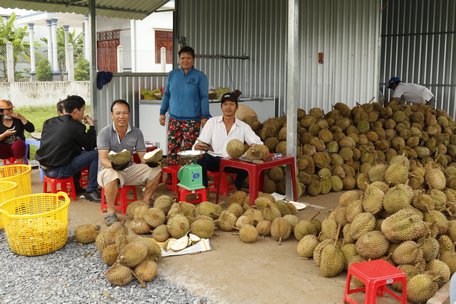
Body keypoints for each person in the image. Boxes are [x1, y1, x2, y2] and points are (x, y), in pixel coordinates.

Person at [97, 99, 162, 226]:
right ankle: (110, 212)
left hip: (128, 169)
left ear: (129, 114)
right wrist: (114, 165)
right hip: (108, 170)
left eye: (125, 113)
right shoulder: (104, 133)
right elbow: (103, 159)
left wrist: (152, 160)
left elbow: (142, 157)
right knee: (112, 174)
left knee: (156, 170)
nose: (121, 116)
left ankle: (144, 203)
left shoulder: (137, 132)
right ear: (112, 115)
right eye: (118, 113)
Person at [35, 95, 100, 201]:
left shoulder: (49, 122)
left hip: (45, 168)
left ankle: (76, 187)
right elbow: (90, 146)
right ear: (75, 111)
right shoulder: (75, 126)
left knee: (77, 151)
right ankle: (91, 190)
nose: (83, 114)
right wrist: (91, 125)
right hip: (59, 171)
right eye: (82, 111)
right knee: (96, 154)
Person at [193, 92, 263, 190]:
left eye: (231, 104)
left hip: (234, 162)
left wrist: (254, 148)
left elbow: (259, 144)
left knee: (253, 162)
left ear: (236, 107)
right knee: (200, 158)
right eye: (225, 104)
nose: (228, 107)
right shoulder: (212, 122)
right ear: (221, 107)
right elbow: (199, 143)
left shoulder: (243, 127)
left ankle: (236, 185)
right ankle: (204, 190)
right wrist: (197, 146)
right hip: (215, 161)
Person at [159, 46, 210, 165]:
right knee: (172, 150)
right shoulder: (172, 75)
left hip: (192, 121)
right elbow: (166, 94)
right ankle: (173, 176)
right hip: (174, 119)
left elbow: (204, 97)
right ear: (178, 60)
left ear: (193, 60)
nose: (185, 60)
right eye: (182, 58)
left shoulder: (200, 76)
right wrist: (162, 112)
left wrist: (204, 116)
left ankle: (191, 177)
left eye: (188, 58)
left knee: (191, 150)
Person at [0, 99, 35, 163]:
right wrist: (5, 134)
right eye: (8, 110)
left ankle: (19, 164)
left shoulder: (18, 119)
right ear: (1, 112)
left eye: (11, 109)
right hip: (5, 150)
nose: (11, 111)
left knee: (18, 143)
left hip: (19, 149)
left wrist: (21, 117)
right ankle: (7, 163)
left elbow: (31, 129)